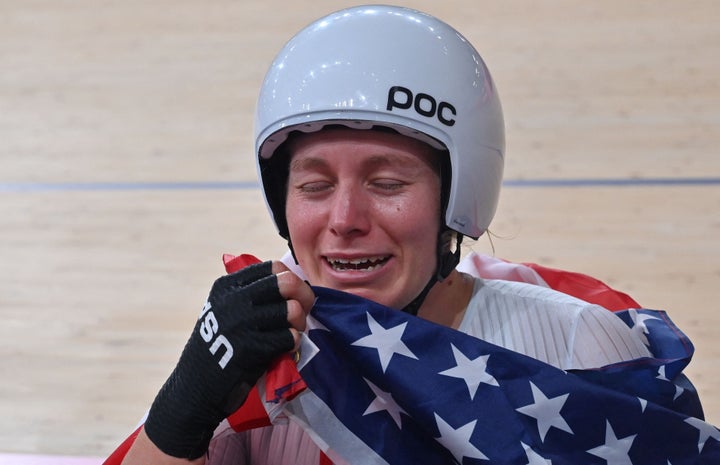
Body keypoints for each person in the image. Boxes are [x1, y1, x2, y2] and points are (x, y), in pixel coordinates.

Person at [115, 5, 666, 465]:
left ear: (457, 199)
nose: (345, 219)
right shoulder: (261, 354)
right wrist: (184, 407)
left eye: (387, 182)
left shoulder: (576, 345)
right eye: (314, 185)